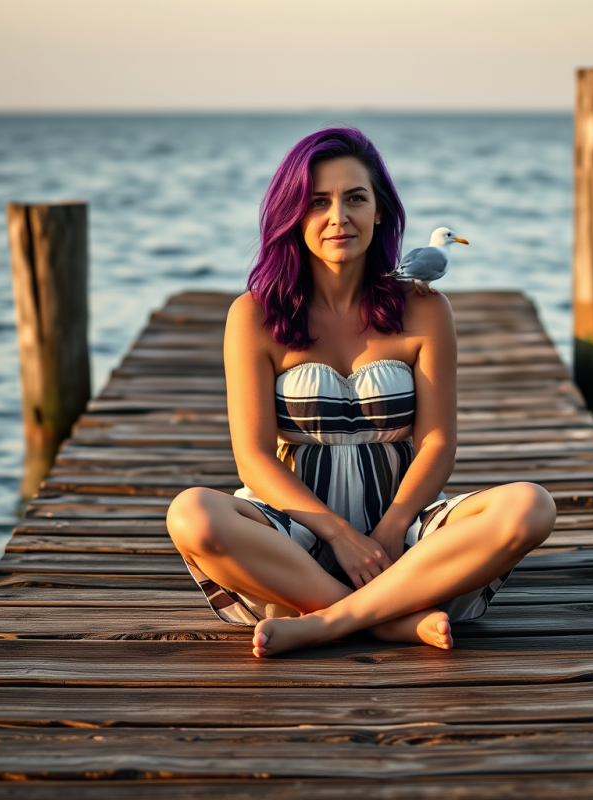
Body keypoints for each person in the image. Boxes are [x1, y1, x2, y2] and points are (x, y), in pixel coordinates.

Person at [166, 127, 556, 658]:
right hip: (293, 537)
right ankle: (389, 619)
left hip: (405, 539)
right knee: (190, 514)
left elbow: (438, 442)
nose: (338, 217)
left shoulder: (424, 309)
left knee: (531, 506)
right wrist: (340, 537)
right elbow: (253, 458)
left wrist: (392, 528)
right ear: (294, 215)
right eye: (318, 202)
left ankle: (327, 623)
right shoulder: (254, 316)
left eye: (355, 198)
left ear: (380, 212)